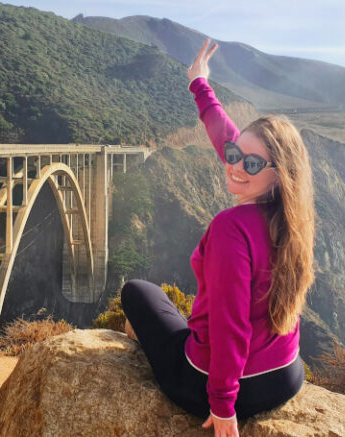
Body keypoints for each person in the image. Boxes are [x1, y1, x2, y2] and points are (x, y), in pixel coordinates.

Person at [121, 39, 316, 437]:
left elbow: (231, 325)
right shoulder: (292, 217)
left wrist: (223, 406)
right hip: (284, 375)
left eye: (252, 163)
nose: (236, 167)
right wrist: (200, 84)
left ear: (276, 173)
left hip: (225, 389)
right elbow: (234, 142)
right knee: (179, 312)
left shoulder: (231, 227)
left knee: (137, 293)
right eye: (233, 154)